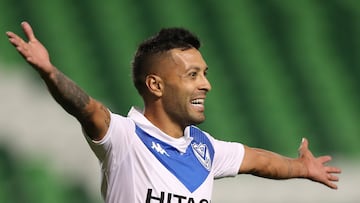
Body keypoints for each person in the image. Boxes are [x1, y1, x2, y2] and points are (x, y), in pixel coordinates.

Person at [6, 22, 341, 203]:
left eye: (205, 73)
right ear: (156, 85)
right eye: (192, 75)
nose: (206, 85)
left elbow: (258, 160)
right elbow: (85, 107)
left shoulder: (204, 149)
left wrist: (299, 167)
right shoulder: (124, 138)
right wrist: (50, 73)